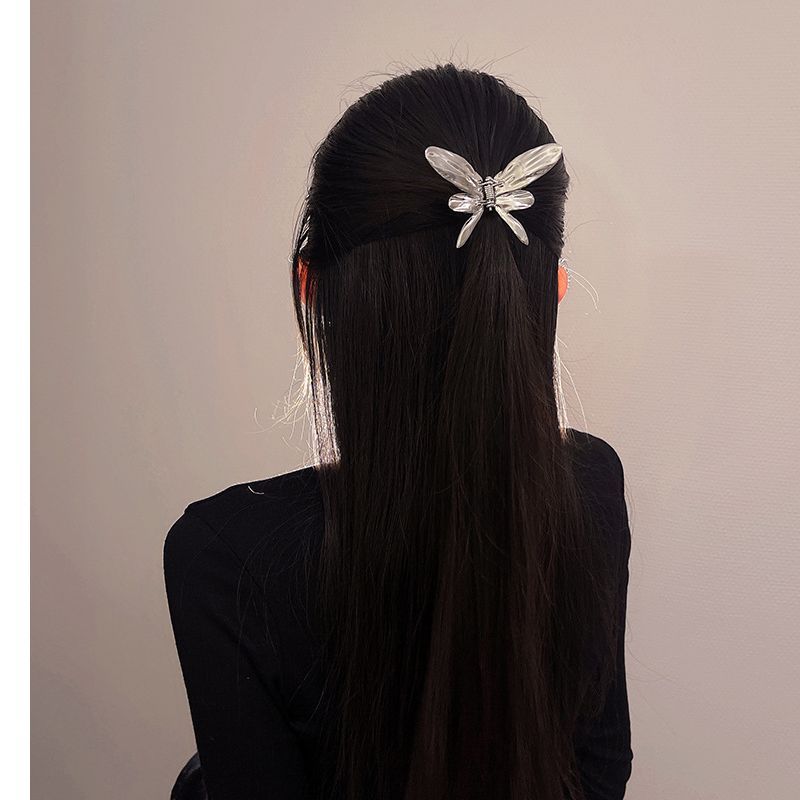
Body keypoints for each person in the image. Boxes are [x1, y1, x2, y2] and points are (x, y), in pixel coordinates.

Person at [164, 63, 633, 800]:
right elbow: (600, 770)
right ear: (552, 290)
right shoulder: (593, 485)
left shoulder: (224, 557)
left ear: (310, 289)